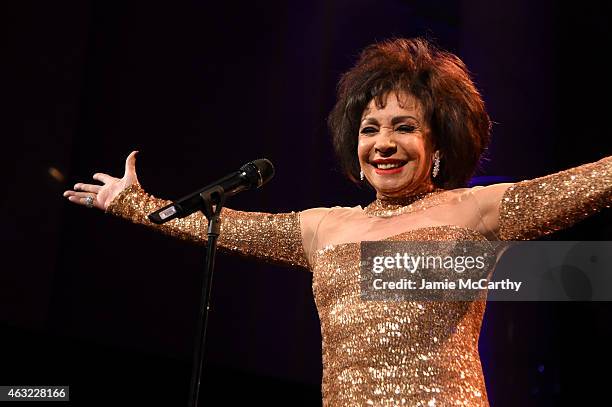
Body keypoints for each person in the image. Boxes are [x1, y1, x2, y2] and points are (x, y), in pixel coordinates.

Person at [63, 38, 612, 406]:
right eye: (370, 128)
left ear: (439, 142)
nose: (384, 143)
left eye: (404, 127)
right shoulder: (324, 226)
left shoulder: (476, 209)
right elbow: (219, 225)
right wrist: (132, 203)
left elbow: (587, 184)